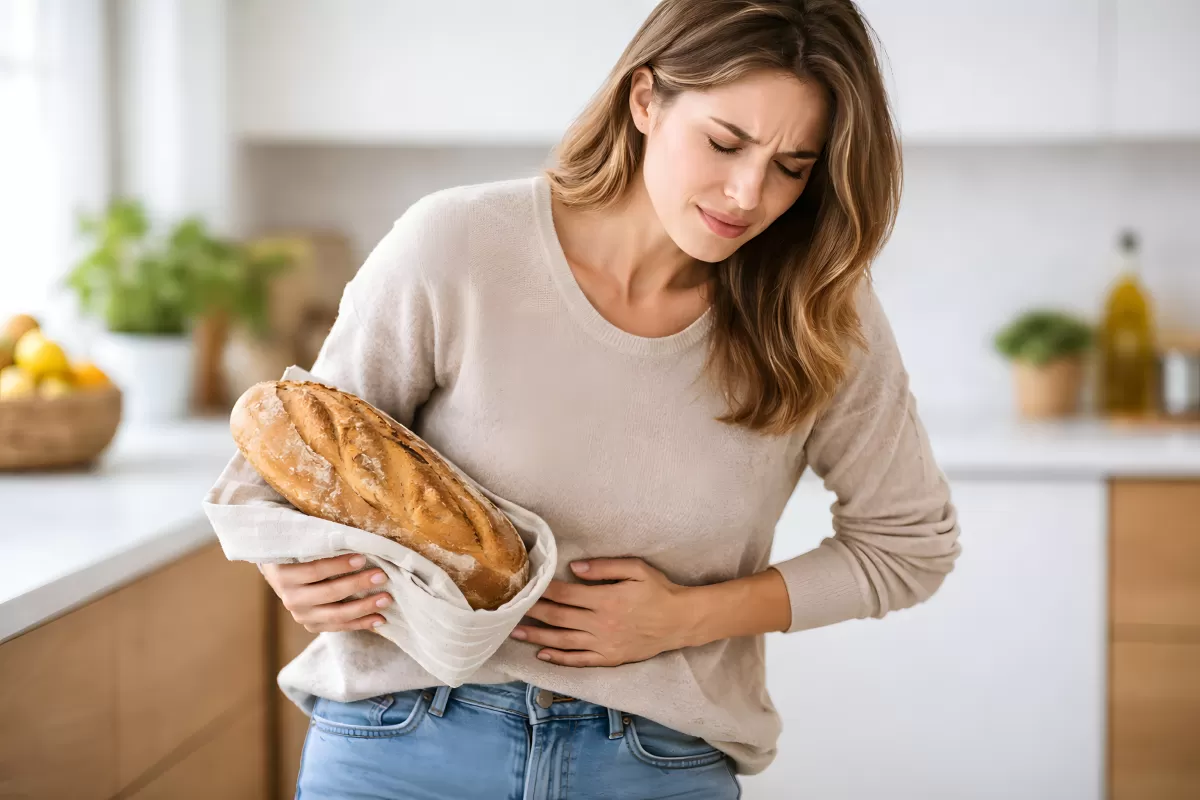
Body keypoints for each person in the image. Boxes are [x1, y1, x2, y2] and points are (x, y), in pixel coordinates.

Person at [242, 1, 962, 796]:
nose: (747, 192)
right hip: (402, 741)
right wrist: (290, 564)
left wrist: (687, 617)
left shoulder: (818, 309)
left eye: (792, 166)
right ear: (645, 99)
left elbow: (909, 546)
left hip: (652, 763)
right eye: (725, 143)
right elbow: (291, 451)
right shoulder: (457, 244)